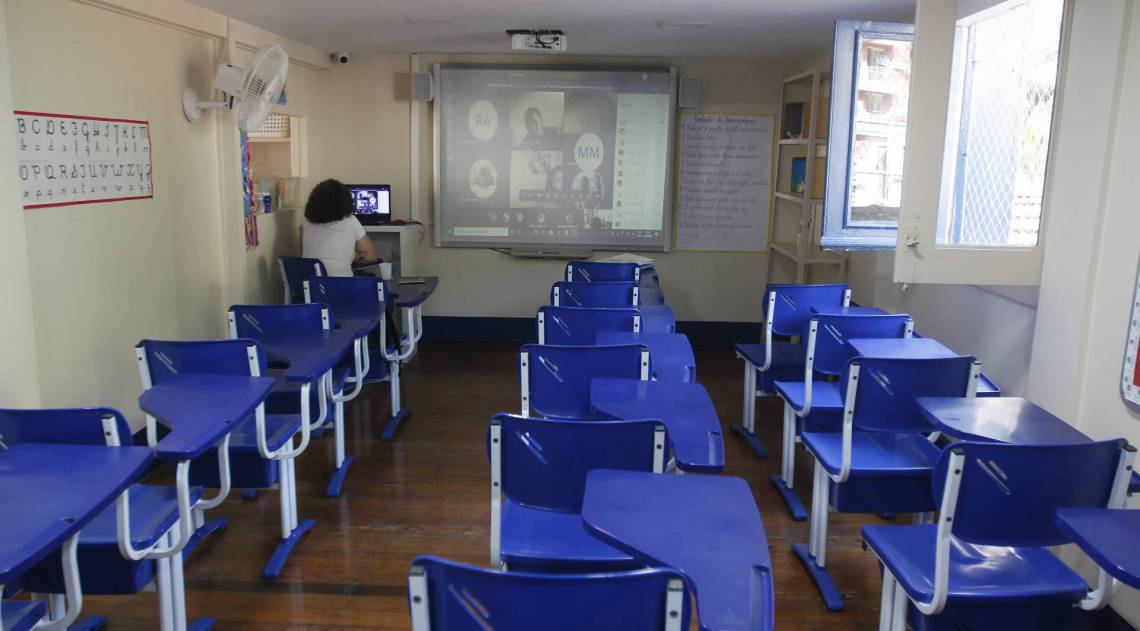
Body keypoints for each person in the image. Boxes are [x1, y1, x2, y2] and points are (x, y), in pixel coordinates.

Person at [302, 179, 377, 277]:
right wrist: (354, 256)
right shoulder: (351, 220)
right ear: (345, 200)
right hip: (341, 286)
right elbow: (371, 256)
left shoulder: (307, 223)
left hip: (310, 286)